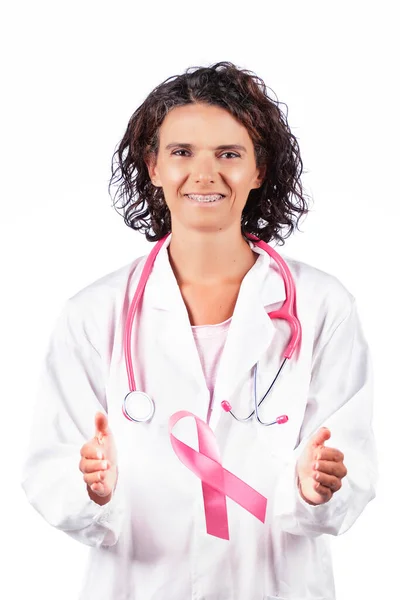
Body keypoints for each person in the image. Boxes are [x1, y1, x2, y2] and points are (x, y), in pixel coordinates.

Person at [21, 61, 377, 600]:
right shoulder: (94, 314)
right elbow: (51, 466)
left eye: (229, 154)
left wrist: (316, 487)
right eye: (182, 152)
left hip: (273, 585)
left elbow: (347, 461)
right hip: (142, 584)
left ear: (259, 170)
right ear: (154, 166)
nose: (204, 174)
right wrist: (91, 487)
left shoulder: (323, 307)